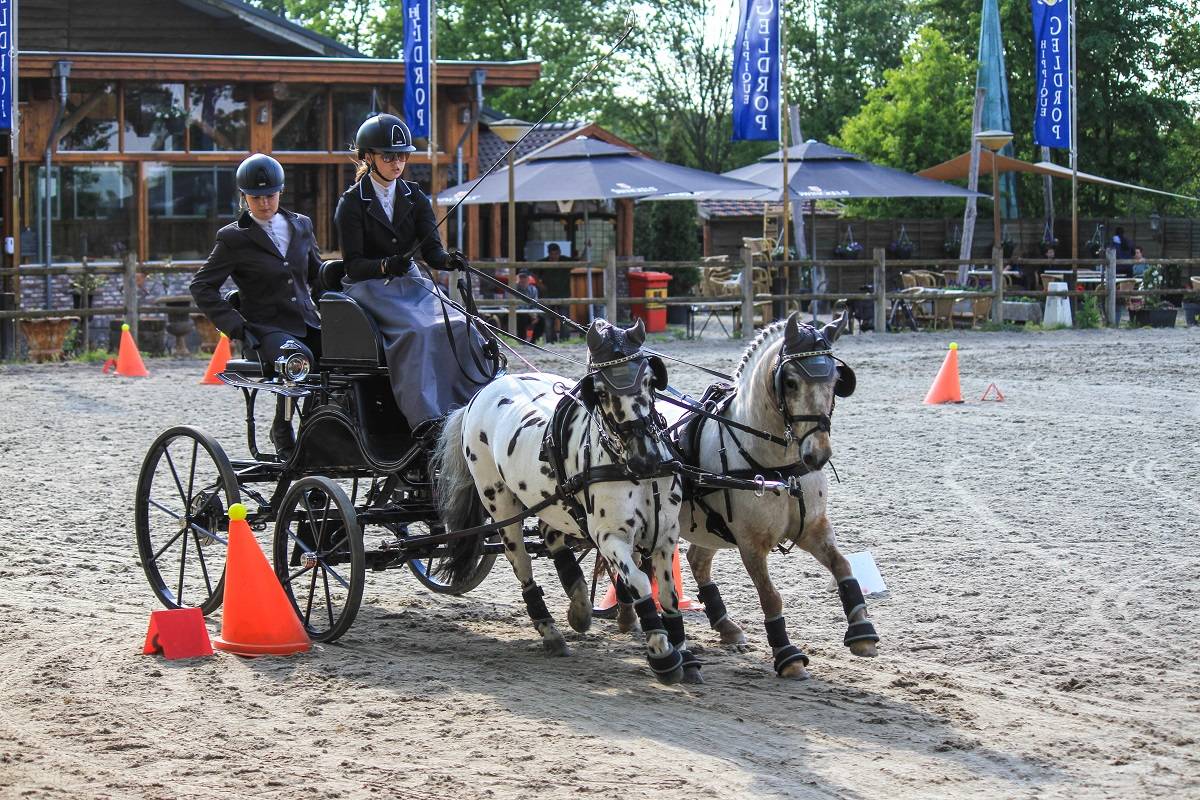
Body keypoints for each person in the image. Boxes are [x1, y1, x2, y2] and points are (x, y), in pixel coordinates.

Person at [333, 113, 493, 443]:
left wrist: (449, 261)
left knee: (462, 324)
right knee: (419, 331)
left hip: (410, 281)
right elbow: (354, 265)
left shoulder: (415, 196)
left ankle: (478, 402)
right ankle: (426, 416)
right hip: (369, 288)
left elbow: (432, 252)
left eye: (403, 155)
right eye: (389, 156)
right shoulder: (350, 204)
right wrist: (385, 266)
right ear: (368, 157)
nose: (397, 163)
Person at [190, 153, 322, 457]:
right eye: (256, 197)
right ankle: (282, 426)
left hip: (307, 322)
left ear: (281, 192)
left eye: (270, 195)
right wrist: (236, 326)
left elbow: (318, 276)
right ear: (244, 197)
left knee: (346, 359)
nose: (264, 203)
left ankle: (318, 431)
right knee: (298, 358)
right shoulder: (233, 238)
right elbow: (202, 286)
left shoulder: (301, 226)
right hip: (266, 330)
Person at [538, 243, 573, 343]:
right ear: (549, 254)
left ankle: (565, 341)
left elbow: (580, 261)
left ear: (559, 253)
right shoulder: (543, 263)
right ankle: (550, 342)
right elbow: (532, 271)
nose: (554, 256)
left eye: (556, 254)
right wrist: (539, 283)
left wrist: (586, 248)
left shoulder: (566, 261)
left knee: (565, 321)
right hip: (547, 296)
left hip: (564, 295)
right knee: (548, 322)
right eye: (552, 254)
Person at [514, 269, 545, 342]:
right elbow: (512, 305)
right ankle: (521, 340)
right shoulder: (513, 288)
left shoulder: (533, 289)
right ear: (518, 278)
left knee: (541, 320)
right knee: (522, 318)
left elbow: (535, 304)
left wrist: (534, 314)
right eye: (521, 277)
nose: (523, 280)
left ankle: (534, 340)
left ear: (528, 279)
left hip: (530, 312)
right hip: (517, 313)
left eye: (524, 277)